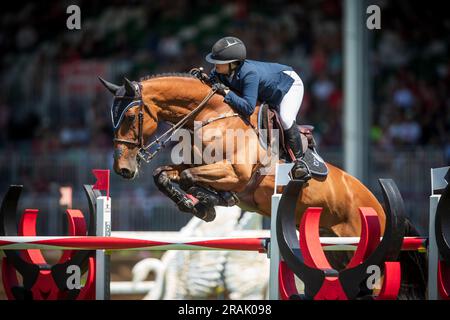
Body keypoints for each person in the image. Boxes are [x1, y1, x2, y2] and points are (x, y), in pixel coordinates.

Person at [205, 36, 310, 181]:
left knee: (285, 118)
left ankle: (299, 162)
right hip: (267, 90)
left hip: (288, 86)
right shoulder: (220, 72)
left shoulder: (249, 74)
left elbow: (248, 108)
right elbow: (211, 84)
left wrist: (227, 93)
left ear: (233, 64)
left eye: (219, 62)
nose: (215, 65)